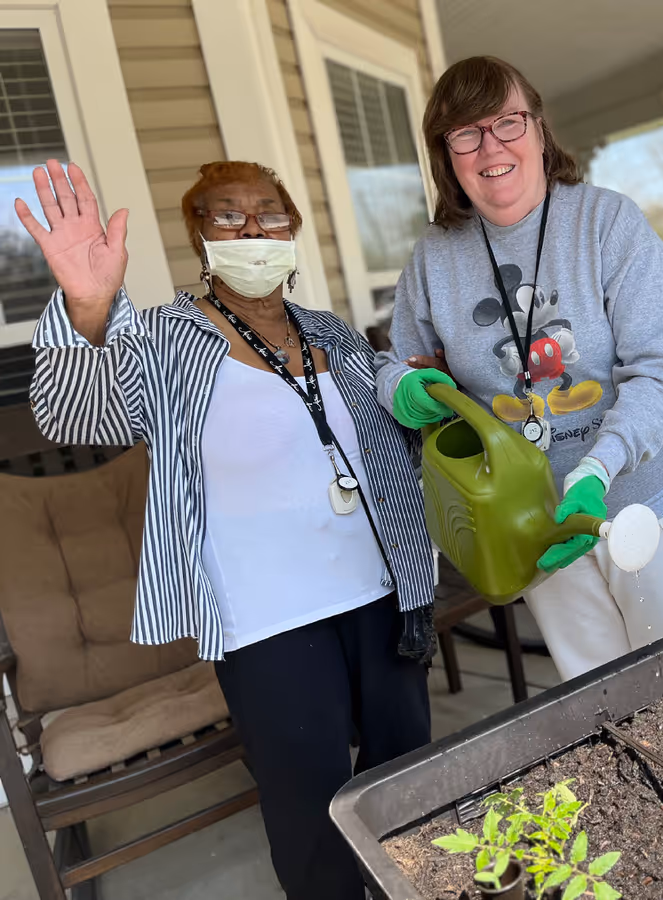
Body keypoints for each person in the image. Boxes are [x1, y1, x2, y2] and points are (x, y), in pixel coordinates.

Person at [18, 159, 435, 900]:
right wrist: (89, 308)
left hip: (379, 592)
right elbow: (77, 416)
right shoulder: (164, 340)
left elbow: (386, 424)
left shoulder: (330, 333)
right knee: (313, 812)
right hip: (268, 623)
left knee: (409, 781)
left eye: (271, 214)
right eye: (227, 215)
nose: (253, 229)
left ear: (293, 231)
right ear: (198, 237)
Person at [377, 56, 663, 682]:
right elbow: (399, 361)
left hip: (651, 499)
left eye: (507, 123)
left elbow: (660, 370)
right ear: (446, 155)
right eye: (465, 134)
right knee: (596, 694)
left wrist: (598, 467)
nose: (490, 147)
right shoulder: (433, 259)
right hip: (532, 517)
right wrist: (405, 389)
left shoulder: (607, 222)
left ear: (538, 131)